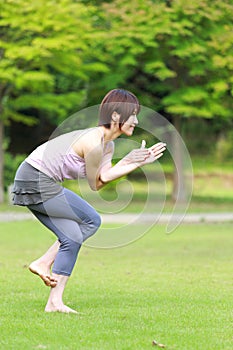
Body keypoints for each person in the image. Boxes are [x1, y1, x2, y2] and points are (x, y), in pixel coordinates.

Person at [12, 89, 166, 314]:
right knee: (91, 219)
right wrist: (132, 164)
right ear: (115, 116)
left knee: (72, 236)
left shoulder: (107, 146)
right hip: (34, 178)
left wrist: (127, 162)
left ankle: (54, 302)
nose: (137, 120)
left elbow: (100, 183)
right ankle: (44, 262)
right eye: (133, 114)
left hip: (39, 180)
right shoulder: (93, 142)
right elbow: (98, 181)